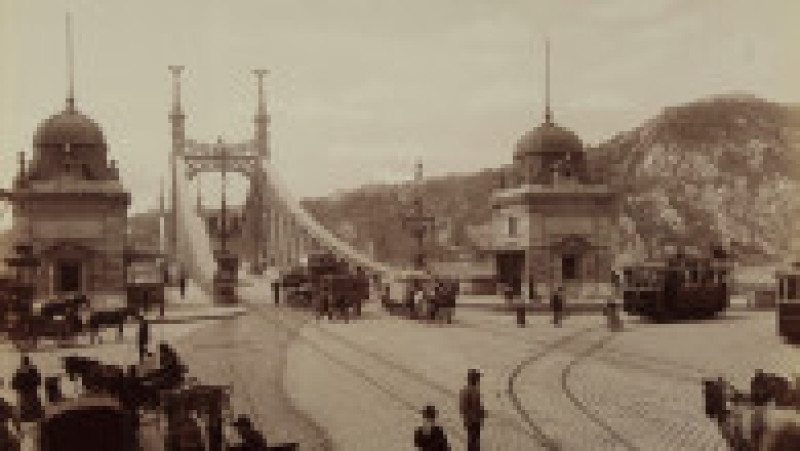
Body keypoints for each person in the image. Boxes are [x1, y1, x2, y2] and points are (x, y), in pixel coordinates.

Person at [459, 369, 486, 451]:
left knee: (473, 442)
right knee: (474, 443)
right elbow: (472, 407)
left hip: (471, 421)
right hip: (473, 421)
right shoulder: (473, 391)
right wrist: (480, 414)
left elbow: (463, 408)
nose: (479, 381)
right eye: (477, 379)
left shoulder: (465, 391)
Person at [11, 356, 43, 423]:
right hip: (32, 393)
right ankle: (34, 416)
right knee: (32, 406)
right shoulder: (33, 370)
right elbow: (39, 381)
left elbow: (14, 385)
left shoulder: (20, 371)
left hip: (25, 394)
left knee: (25, 406)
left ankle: (27, 417)